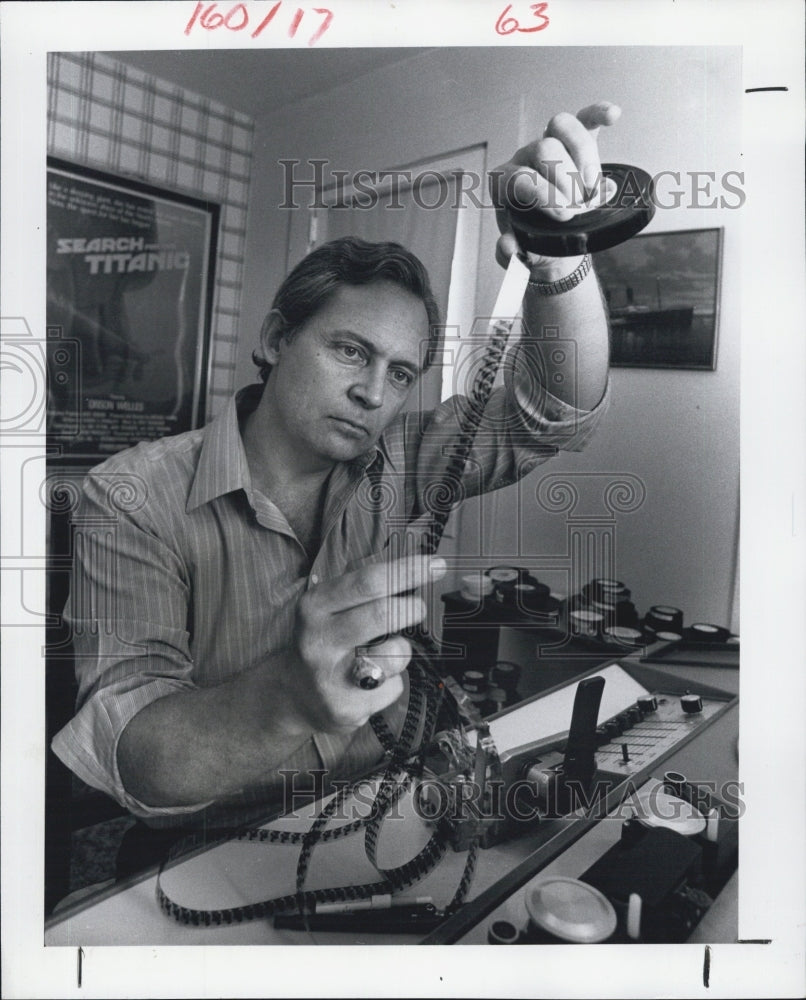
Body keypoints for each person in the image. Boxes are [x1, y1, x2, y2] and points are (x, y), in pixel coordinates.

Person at [52, 103, 618, 850]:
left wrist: (559, 257)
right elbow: (136, 761)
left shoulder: (404, 462)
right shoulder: (130, 495)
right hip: (210, 850)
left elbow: (556, 411)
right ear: (277, 338)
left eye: (402, 372)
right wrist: (289, 694)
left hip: (385, 820)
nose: (374, 393)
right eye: (351, 351)